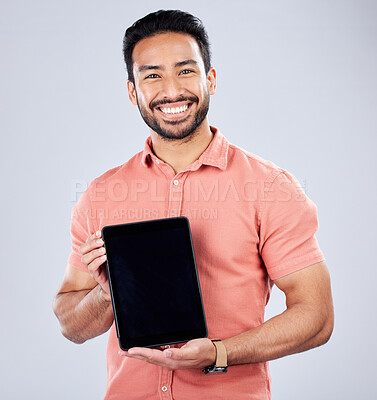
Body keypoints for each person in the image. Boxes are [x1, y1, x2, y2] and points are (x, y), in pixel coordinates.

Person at [53, 9, 334, 400]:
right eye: (152, 75)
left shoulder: (271, 187)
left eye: (185, 71)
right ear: (133, 91)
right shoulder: (100, 194)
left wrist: (219, 352)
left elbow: (317, 316)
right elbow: (71, 326)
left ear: (211, 79)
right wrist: (108, 293)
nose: (171, 90)